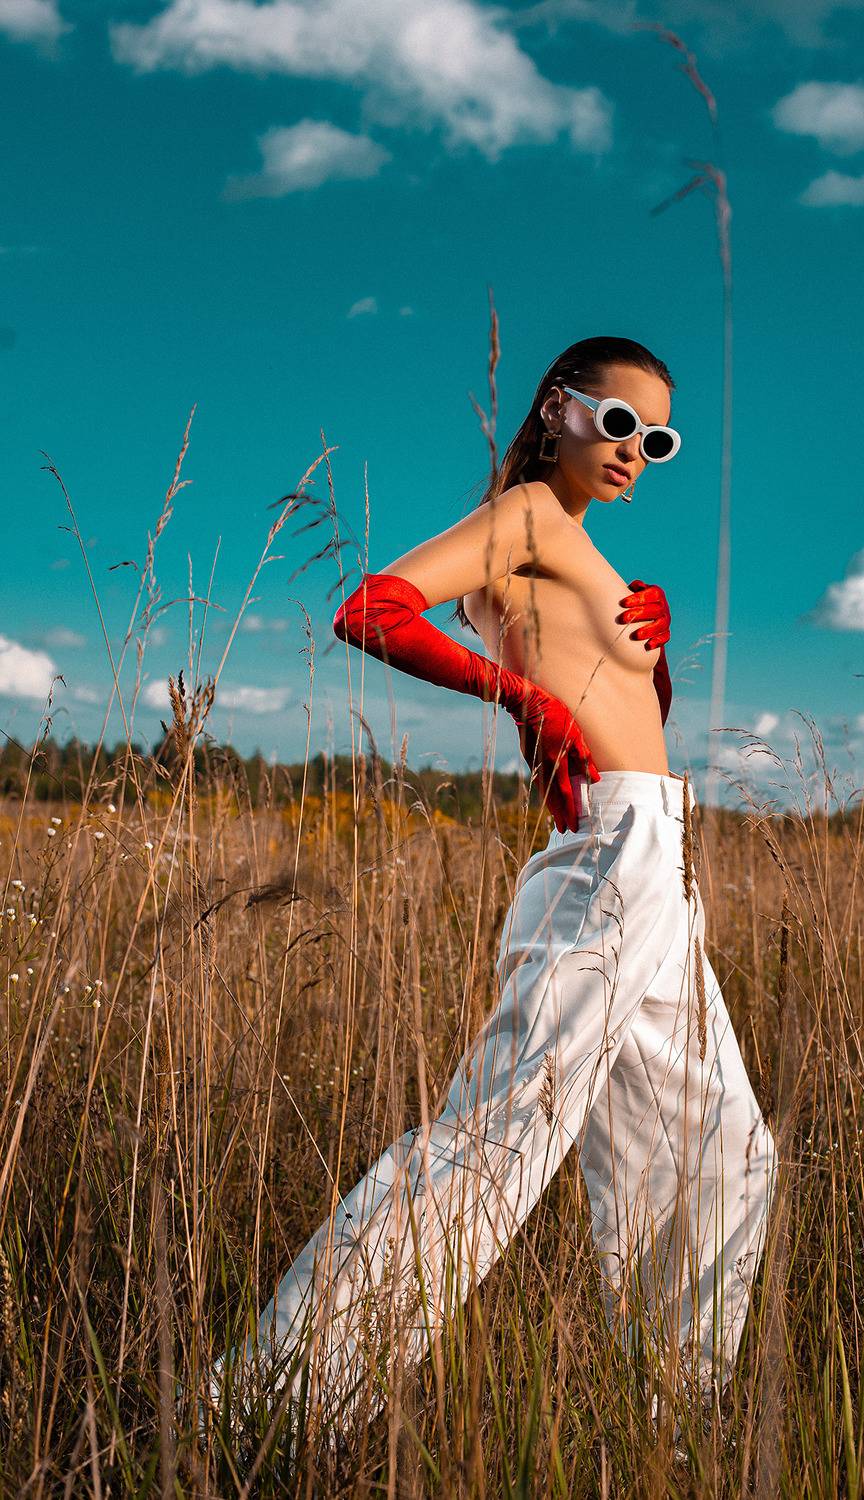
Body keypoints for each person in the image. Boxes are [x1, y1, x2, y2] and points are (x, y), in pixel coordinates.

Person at [207, 335, 777, 1437]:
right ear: (559, 409)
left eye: (657, 439)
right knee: (500, 1138)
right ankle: (272, 1405)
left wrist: (651, 641)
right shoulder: (524, 515)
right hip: (611, 852)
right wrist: (526, 703)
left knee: (720, 1146)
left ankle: (669, 1417)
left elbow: (629, 703)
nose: (635, 449)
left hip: (660, 854)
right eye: (617, 421)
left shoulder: (575, 544)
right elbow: (371, 609)